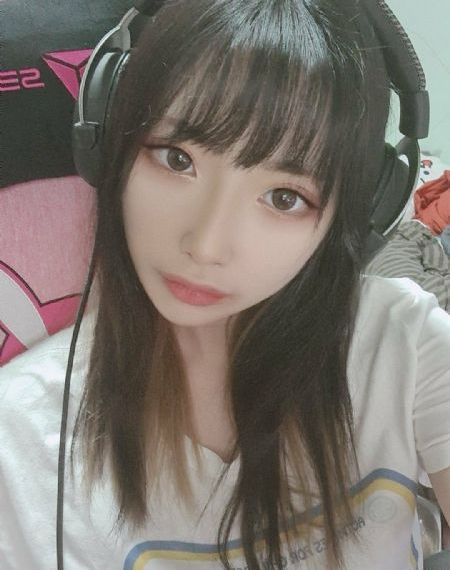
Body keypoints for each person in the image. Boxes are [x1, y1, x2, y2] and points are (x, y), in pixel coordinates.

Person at [1, 1, 449, 569]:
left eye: (284, 198)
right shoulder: (16, 440)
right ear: (110, 141)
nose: (207, 245)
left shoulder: (403, 343)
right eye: (176, 159)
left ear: (357, 219)